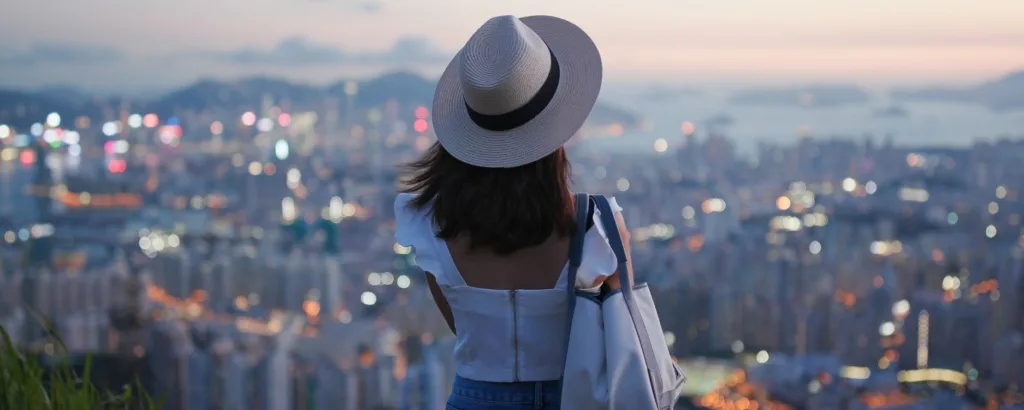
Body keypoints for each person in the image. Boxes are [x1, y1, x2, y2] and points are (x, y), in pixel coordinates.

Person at [394, 15, 634, 410]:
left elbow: (462, 329)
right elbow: (621, 335)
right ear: (556, 129)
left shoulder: (428, 224)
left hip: (473, 399)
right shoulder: (599, 227)